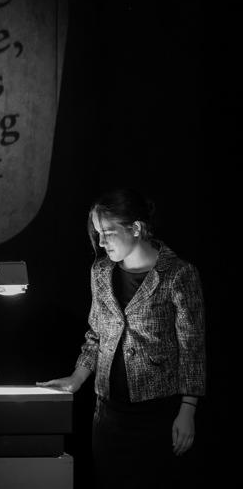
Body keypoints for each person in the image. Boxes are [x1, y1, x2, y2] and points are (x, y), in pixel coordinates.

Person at [37, 188, 205, 489]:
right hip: (108, 416)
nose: (101, 241)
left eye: (108, 232)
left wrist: (187, 410)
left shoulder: (179, 274)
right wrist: (77, 378)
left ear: (136, 228)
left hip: (159, 416)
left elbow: (192, 348)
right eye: (98, 233)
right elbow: (96, 334)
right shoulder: (100, 271)